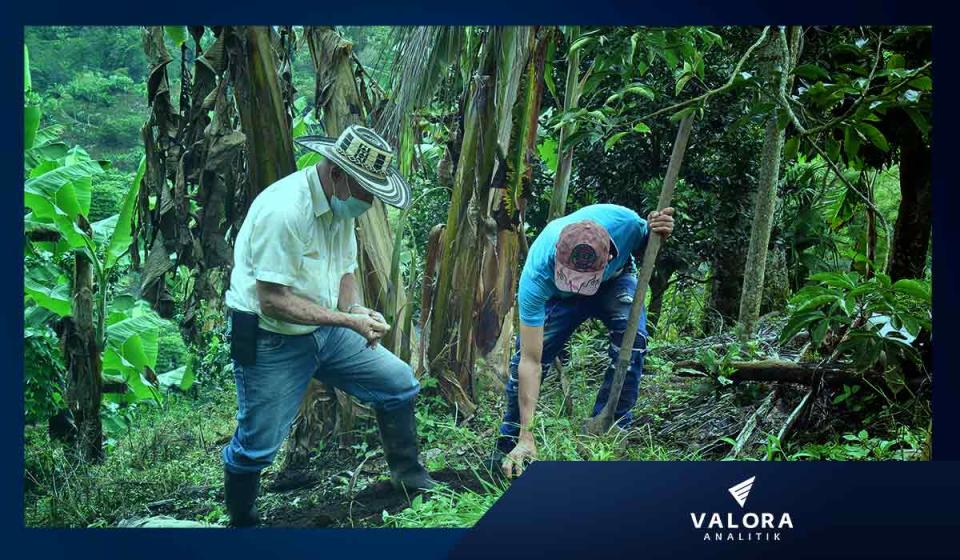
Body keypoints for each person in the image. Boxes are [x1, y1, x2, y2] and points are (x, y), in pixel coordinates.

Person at [221, 125, 434, 527]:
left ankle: (408, 477)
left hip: (325, 327)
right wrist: (346, 319)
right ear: (338, 173)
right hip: (270, 336)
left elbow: (346, 270)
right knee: (257, 446)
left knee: (399, 382)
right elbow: (274, 300)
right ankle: (242, 521)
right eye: (367, 191)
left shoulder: (340, 206)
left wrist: (356, 309)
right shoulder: (285, 211)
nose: (370, 202)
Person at [493, 203, 675, 478]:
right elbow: (531, 362)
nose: (579, 286)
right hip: (559, 298)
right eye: (572, 279)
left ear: (610, 253)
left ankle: (610, 427)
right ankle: (511, 443)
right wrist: (527, 434)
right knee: (525, 359)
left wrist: (658, 230)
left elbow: (649, 238)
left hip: (615, 281)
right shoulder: (537, 274)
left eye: (584, 281)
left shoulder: (627, 225)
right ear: (557, 257)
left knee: (633, 339)